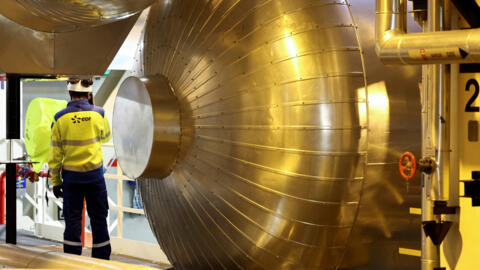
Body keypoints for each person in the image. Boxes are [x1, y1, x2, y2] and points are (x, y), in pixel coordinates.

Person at [48, 79, 112, 260]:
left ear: (69, 93)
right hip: (95, 177)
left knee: (73, 220)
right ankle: (101, 260)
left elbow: (55, 154)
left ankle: (72, 261)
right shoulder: (99, 114)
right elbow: (106, 137)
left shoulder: (59, 118)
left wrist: (55, 181)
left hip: (71, 179)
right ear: (89, 94)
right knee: (99, 218)